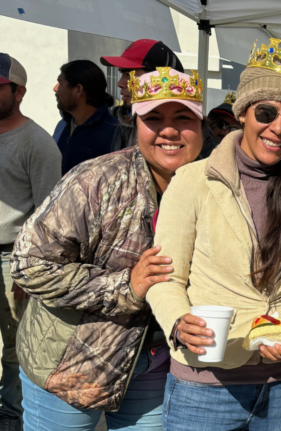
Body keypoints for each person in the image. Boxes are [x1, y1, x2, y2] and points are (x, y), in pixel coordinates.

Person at [144, 38, 281, 431]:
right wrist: (180, 322)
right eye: (267, 112)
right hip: (205, 386)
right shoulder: (193, 181)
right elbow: (165, 277)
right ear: (244, 113)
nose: (279, 129)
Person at [11, 67, 206, 430]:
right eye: (154, 118)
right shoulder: (95, 181)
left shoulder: (213, 188)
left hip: (157, 363)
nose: (169, 130)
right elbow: (28, 263)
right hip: (70, 368)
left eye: (183, 118)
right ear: (135, 123)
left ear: (201, 125)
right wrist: (125, 285)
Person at [0, 53, 61, 431]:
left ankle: (10, 415)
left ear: (18, 91)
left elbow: (49, 217)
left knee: (15, 349)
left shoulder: (38, 144)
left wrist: (28, 271)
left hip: (12, 261)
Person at [100, 38, 185, 151]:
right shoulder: (110, 121)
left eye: (129, 75)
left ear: (160, 80)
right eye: (122, 74)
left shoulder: (192, 132)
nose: (120, 83)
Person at [53, 59, 119, 174]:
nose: (56, 89)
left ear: (78, 90)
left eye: (61, 84)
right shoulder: (63, 126)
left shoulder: (114, 133)